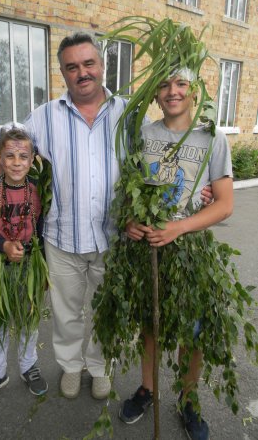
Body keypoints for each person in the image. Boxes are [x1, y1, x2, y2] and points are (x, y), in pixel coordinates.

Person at [24, 32, 213, 401]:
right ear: (62, 72)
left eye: (88, 63)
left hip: (114, 238)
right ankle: (71, 366)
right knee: (66, 313)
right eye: (72, 67)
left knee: (105, 310)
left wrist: (197, 188)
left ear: (102, 65)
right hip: (63, 238)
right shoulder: (44, 116)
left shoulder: (130, 114)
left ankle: (98, 367)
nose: (82, 73)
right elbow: (11, 148)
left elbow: (165, 154)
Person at [118, 71, 233, 440]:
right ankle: (148, 389)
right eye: (165, 85)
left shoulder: (212, 137)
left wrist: (180, 227)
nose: (173, 92)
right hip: (149, 249)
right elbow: (129, 188)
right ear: (155, 94)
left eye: (181, 84)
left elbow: (225, 204)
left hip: (190, 251)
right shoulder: (145, 135)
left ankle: (188, 400)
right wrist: (131, 220)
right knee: (150, 325)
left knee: (192, 332)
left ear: (194, 90)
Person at [0, 123, 48, 403]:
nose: (17, 162)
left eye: (23, 156)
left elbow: (42, 230)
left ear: (31, 159)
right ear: (0, 159)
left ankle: (29, 366)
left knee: (29, 319)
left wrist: (45, 269)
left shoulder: (39, 190)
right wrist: (1, 246)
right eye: (10, 156)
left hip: (30, 268)